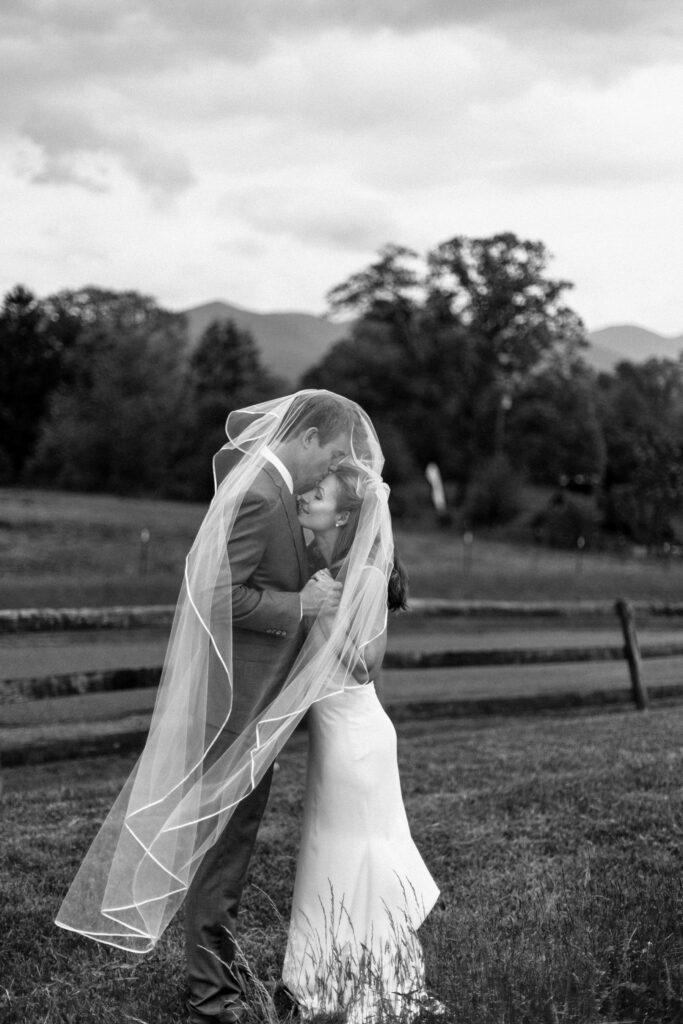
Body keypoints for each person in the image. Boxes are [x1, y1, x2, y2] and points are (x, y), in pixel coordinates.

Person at [55, 391, 376, 1024]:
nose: (332, 468)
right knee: (221, 860)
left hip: (253, 705)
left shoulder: (270, 488)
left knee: (229, 854)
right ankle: (211, 999)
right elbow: (216, 593)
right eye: (334, 453)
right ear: (308, 437)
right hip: (236, 711)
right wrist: (300, 607)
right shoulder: (261, 492)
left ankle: (215, 984)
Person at [282, 466, 443, 1023]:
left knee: (352, 851)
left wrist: (327, 614)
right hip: (333, 739)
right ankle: (323, 973)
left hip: (357, 738)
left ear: (346, 515)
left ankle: (371, 976)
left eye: (318, 494)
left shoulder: (368, 577)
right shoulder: (331, 572)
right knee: (325, 848)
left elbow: (365, 667)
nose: (307, 496)